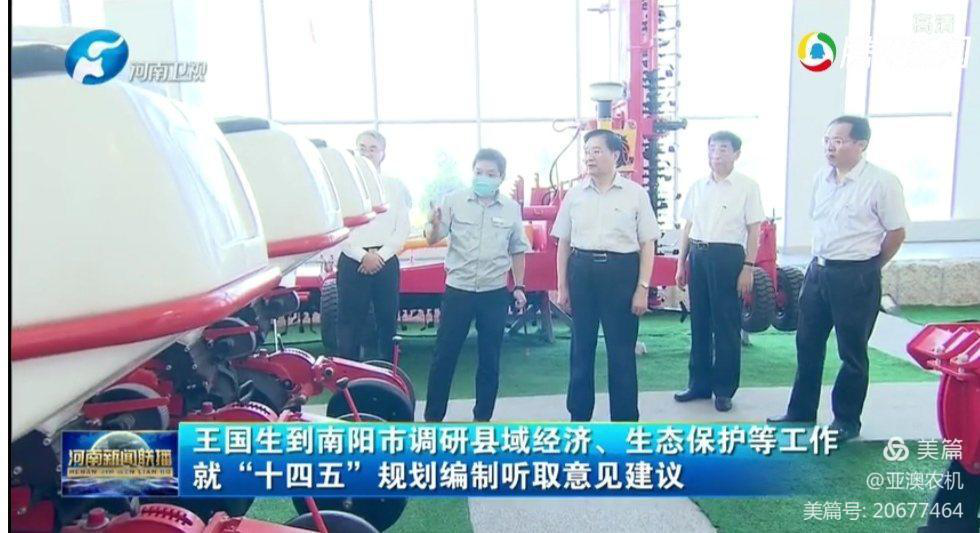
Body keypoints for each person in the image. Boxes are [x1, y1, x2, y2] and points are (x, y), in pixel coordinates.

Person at [768, 116, 909, 441]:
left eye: (839, 141)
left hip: (856, 275)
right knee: (807, 342)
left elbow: (896, 232)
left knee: (852, 351)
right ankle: (801, 411)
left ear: (861, 145)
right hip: (818, 271)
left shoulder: (881, 182)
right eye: (827, 140)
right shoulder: (822, 178)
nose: (831, 147)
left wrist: (870, 266)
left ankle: (846, 420)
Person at [552, 129, 658, 422]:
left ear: (615, 155)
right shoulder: (575, 195)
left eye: (597, 151)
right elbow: (563, 242)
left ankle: (624, 422)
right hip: (582, 271)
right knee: (581, 348)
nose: (590, 157)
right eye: (587, 152)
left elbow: (648, 243)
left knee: (621, 351)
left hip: (621, 273)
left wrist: (643, 287)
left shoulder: (635, 194)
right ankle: (579, 417)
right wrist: (562, 285)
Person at [422, 148, 529, 422]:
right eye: (479, 172)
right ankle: (433, 418)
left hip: (494, 292)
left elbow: (517, 249)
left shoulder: (511, 208)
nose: (484, 177)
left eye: (491, 174)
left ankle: (482, 419)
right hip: (459, 289)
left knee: (489, 359)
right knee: (444, 356)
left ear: (501, 177)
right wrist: (433, 224)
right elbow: (433, 238)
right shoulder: (454, 201)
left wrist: (519, 286)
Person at [674, 131, 765, 412]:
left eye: (723, 149)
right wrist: (681, 262)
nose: (716, 154)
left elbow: (754, 230)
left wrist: (748, 267)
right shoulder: (698, 186)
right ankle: (698, 384)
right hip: (698, 255)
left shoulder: (747, 187)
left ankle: (724, 389)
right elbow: (688, 226)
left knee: (726, 324)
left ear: (736, 154)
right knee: (699, 321)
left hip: (728, 257)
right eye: (712, 148)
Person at [336, 130, 411, 361]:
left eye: (373, 149)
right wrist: (363, 257)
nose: (367, 153)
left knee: (387, 322)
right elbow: (339, 228)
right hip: (352, 261)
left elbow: (402, 228)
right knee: (349, 323)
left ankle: (387, 371)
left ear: (383, 154)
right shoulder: (342, 187)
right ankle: (348, 372)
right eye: (362, 148)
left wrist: (380, 256)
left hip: (386, 261)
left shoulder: (395, 186)